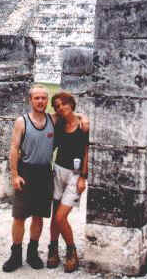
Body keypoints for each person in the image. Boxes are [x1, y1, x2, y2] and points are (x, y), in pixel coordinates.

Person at [2, 84, 55, 272]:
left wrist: (84, 119)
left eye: (43, 98)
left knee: (39, 216)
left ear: (47, 101)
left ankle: (33, 253)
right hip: (26, 172)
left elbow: (74, 116)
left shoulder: (53, 121)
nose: (40, 101)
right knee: (19, 216)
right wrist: (15, 175)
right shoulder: (22, 121)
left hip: (44, 173)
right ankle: (15, 255)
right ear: (30, 100)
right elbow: (14, 148)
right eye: (37, 98)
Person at [47, 91, 89, 273]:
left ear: (71, 104)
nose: (61, 107)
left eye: (64, 103)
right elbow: (47, 116)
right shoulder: (59, 123)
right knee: (54, 213)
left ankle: (71, 250)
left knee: (60, 217)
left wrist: (83, 177)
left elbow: (87, 151)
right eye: (57, 105)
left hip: (74, 174)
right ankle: (53, 248)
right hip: (58, 171)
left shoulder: (83, 126)